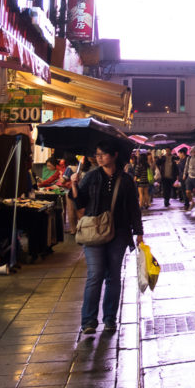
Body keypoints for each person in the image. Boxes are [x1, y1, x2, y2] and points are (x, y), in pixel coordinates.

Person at [71, 140, 144, 334]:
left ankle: (110, 318)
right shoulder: (91, 177)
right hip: (94, 231)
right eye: (97, 154)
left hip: (119, 232)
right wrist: (74, 185)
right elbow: (79, 203)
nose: (99, 157)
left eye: (103, 153)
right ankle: (88, 321)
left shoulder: (126, 180)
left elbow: (133, 208)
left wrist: (138, 232)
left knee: (113, 276)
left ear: (114, 155)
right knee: (95, 275)